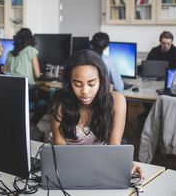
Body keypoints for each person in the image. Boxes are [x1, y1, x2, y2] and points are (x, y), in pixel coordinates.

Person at [50, 49, 143, 178]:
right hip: (70, 169)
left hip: (101, 170)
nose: (85, 91)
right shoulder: (60, 104)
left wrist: (125, 163)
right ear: (69, 83)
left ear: (101, 81)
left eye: (92, 84)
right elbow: (61, 151)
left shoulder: (116, 102)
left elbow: (113, 147)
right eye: (77, 84)